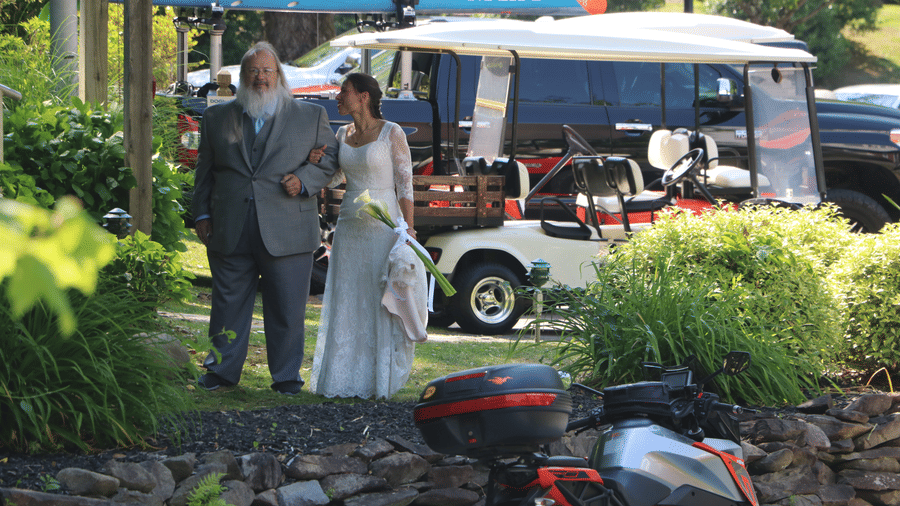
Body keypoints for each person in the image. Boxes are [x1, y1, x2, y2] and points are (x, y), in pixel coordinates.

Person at [192, 41, 339, 395]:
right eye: (253, 71)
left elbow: (331, 160)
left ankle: (287, 377)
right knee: (226, 306)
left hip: (289, 229)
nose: (260, 78)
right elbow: (204, 171)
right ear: (242, 77)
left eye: (267, 71)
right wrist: (201, 213)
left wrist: (304, 180)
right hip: (229, 226)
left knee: (287, 309)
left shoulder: (310, 116)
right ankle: (221, 372)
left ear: (279, 76)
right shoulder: (216, 117)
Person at [309, 73, 428, 399]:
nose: (337, 97)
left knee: (379, 300)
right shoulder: (342, 133)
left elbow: (405, 185)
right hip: (349, 229)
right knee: (348, 297)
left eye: (343, 92)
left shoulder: (392, 133)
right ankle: (341, 378)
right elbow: (334, 179)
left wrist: (408, 230)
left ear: (363, 96)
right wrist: (316, 162)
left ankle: (379, 378)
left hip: (383, 228)